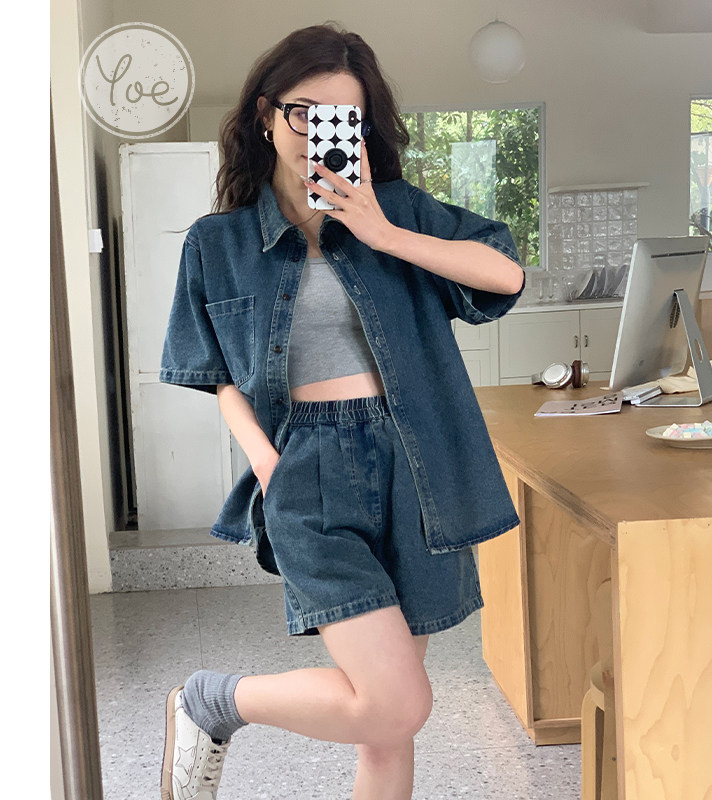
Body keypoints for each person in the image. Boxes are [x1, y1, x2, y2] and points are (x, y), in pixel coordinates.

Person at [159, 22, 526, 800]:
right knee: (396, 703)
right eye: (304, 112)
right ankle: (212, 702)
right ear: (266, 115)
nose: (319, 132)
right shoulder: (217, 243)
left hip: (416, 465)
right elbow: (215, 372)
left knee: (388, 724)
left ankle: (211, 703)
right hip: (306, 469)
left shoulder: (397, 211)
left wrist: (382, 232)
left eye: (343, 118)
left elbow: (504, 274)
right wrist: (267, 463)